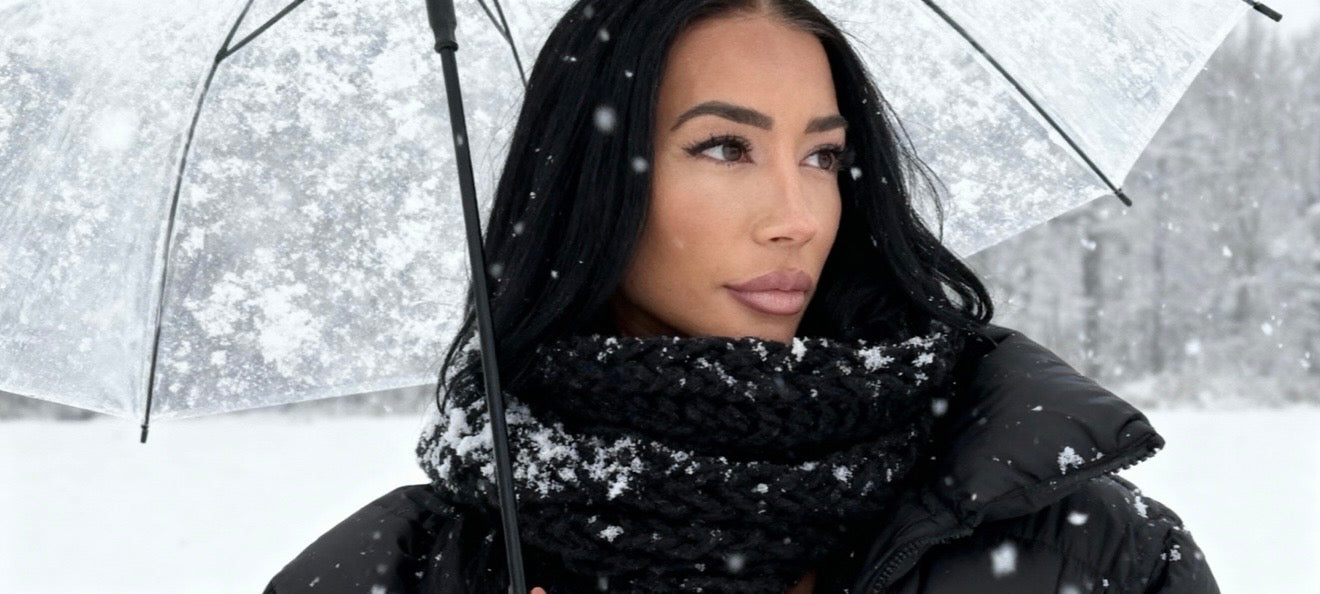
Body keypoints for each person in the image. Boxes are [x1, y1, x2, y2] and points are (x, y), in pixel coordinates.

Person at [265, 0, 1219, 592]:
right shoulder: (394, 575)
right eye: (726, 147)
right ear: (592, 184)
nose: (797, 216)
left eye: (824, 156)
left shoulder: (1088, 553)